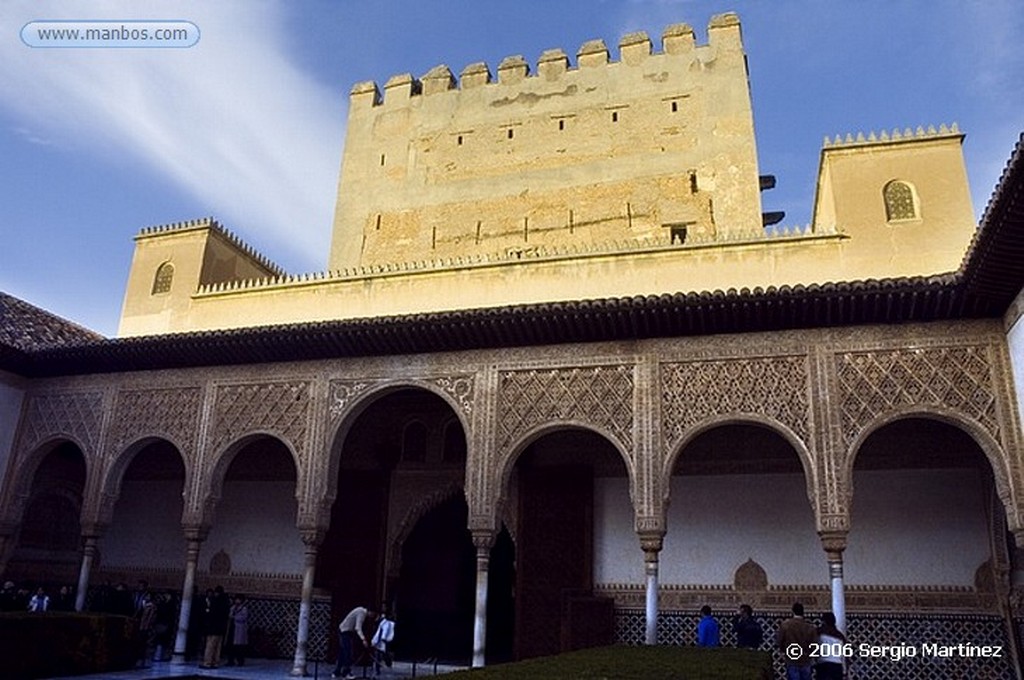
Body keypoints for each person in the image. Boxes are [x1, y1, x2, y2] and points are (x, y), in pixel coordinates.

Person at [776, 602, 818, 680]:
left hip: (792, 658)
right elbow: (814, 644)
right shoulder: (810, 627)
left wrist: (784, 651)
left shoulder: (786, 625)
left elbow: (780, 641)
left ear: (793, 611)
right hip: (805, 659)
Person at [333, 606, 377, 679]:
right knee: (348, 653)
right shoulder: (361, 613)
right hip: (345, 631)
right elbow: (358, 627)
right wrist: (363, 639)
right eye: (372, 614)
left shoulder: (360, 611)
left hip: (345, 631)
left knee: (342, 653)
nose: (371, 616)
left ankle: (337, 672)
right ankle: (346, 672)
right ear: (370, 612)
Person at [200, 586, 230, 669]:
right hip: (221, 629)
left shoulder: (215, 601)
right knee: (218, 647)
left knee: (210, 645)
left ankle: (207, 662)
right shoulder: (226, 602)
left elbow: (211, 614)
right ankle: (215, 662)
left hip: (213, 628)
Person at [815, 612, 846, 680]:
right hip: (837, 665)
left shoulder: (819, 632)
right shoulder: (840, 635)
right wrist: (845, 671)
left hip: (823, 663)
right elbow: (844, 655)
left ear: (824, 621)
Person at [225, 594, 249, 666]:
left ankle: (240, 661)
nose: (237, 601)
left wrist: (235, 617)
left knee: (239, 647)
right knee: (230, 646)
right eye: (236, 599)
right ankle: (230, 660)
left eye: (238, 599)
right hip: (232, 628)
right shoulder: (233, 608)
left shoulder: (244, 609)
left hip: (239, 629)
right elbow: (229, 614)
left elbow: (244, 618)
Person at [370, 609, 396, 676]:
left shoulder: (386, 623)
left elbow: (384, 631)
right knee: (379, 654)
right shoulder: (383, 623)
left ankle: (383, 666)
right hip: (381, 640)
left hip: (382, 640)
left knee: (381, 654)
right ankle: (378, 668)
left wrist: (382, 639)